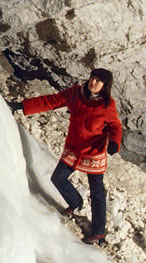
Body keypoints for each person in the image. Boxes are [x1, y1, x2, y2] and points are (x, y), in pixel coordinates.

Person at [7, 68, 123, 244]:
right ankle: (75, 201)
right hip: (74, 149)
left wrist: (114, 142)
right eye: (92, 78)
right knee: (58, 178)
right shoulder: (76, 93)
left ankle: (98, 231)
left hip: (93, 152)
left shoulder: (107, 105)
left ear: (105, 86)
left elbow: (115, 126)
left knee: (97, 192)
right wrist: (22, 106)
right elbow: (51, 101)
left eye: (99, 81)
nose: (93, 83)